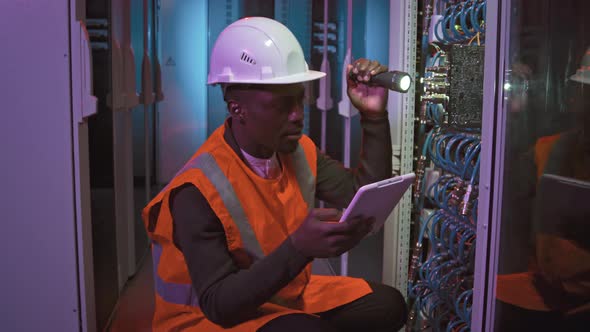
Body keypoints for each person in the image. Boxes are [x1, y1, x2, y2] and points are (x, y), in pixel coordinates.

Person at [142, 17, 407, 332]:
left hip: (278, 294)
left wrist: (373, 115)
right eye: (282, 104)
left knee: (388, 305)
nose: (297, 115)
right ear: (237, 107)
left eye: (299, 98)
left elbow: (361, 194)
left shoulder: (298, 151)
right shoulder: (197, 190)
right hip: (205, 319)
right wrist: (300, 248)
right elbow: (219, 306)